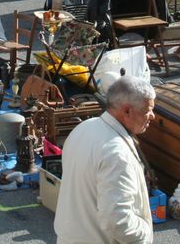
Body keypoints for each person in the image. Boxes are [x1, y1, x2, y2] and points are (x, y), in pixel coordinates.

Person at [54, 76, 155, 244]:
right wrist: (144, 233)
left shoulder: (83, 128)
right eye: (147, 110)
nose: (152, 116)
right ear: (127, 110)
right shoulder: (118, 155)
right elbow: (117, 220)